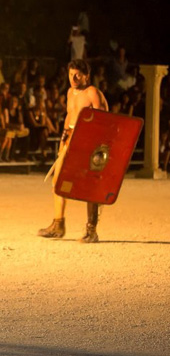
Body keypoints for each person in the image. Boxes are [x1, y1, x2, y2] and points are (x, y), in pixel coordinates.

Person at [38, 59, 108, 244]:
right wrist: (64, 138)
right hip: (70, 142)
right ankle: (58, 224)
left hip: (88, 144)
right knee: (58, 180)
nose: (74, 78)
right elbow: (70, 115)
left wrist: (91, 143)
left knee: (89, 187)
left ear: (86, 75)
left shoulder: (92, 92)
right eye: (71, 74)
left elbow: (103, 120)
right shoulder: (70, 92)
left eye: (77, 74)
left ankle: (91, 230)